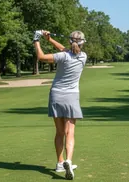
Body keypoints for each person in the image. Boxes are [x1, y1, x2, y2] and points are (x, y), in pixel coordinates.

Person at [33, 30, 87, 180]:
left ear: (70, 42)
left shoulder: (62, 56)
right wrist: (49, 40)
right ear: (82, 43)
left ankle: (59, 162)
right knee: (70, 132)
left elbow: (41, 57)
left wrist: (37, 39)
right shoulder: (83, 57)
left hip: (56, 95)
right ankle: (68, 161)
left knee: (59, 132)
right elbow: (66, 49)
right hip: (71, 97)